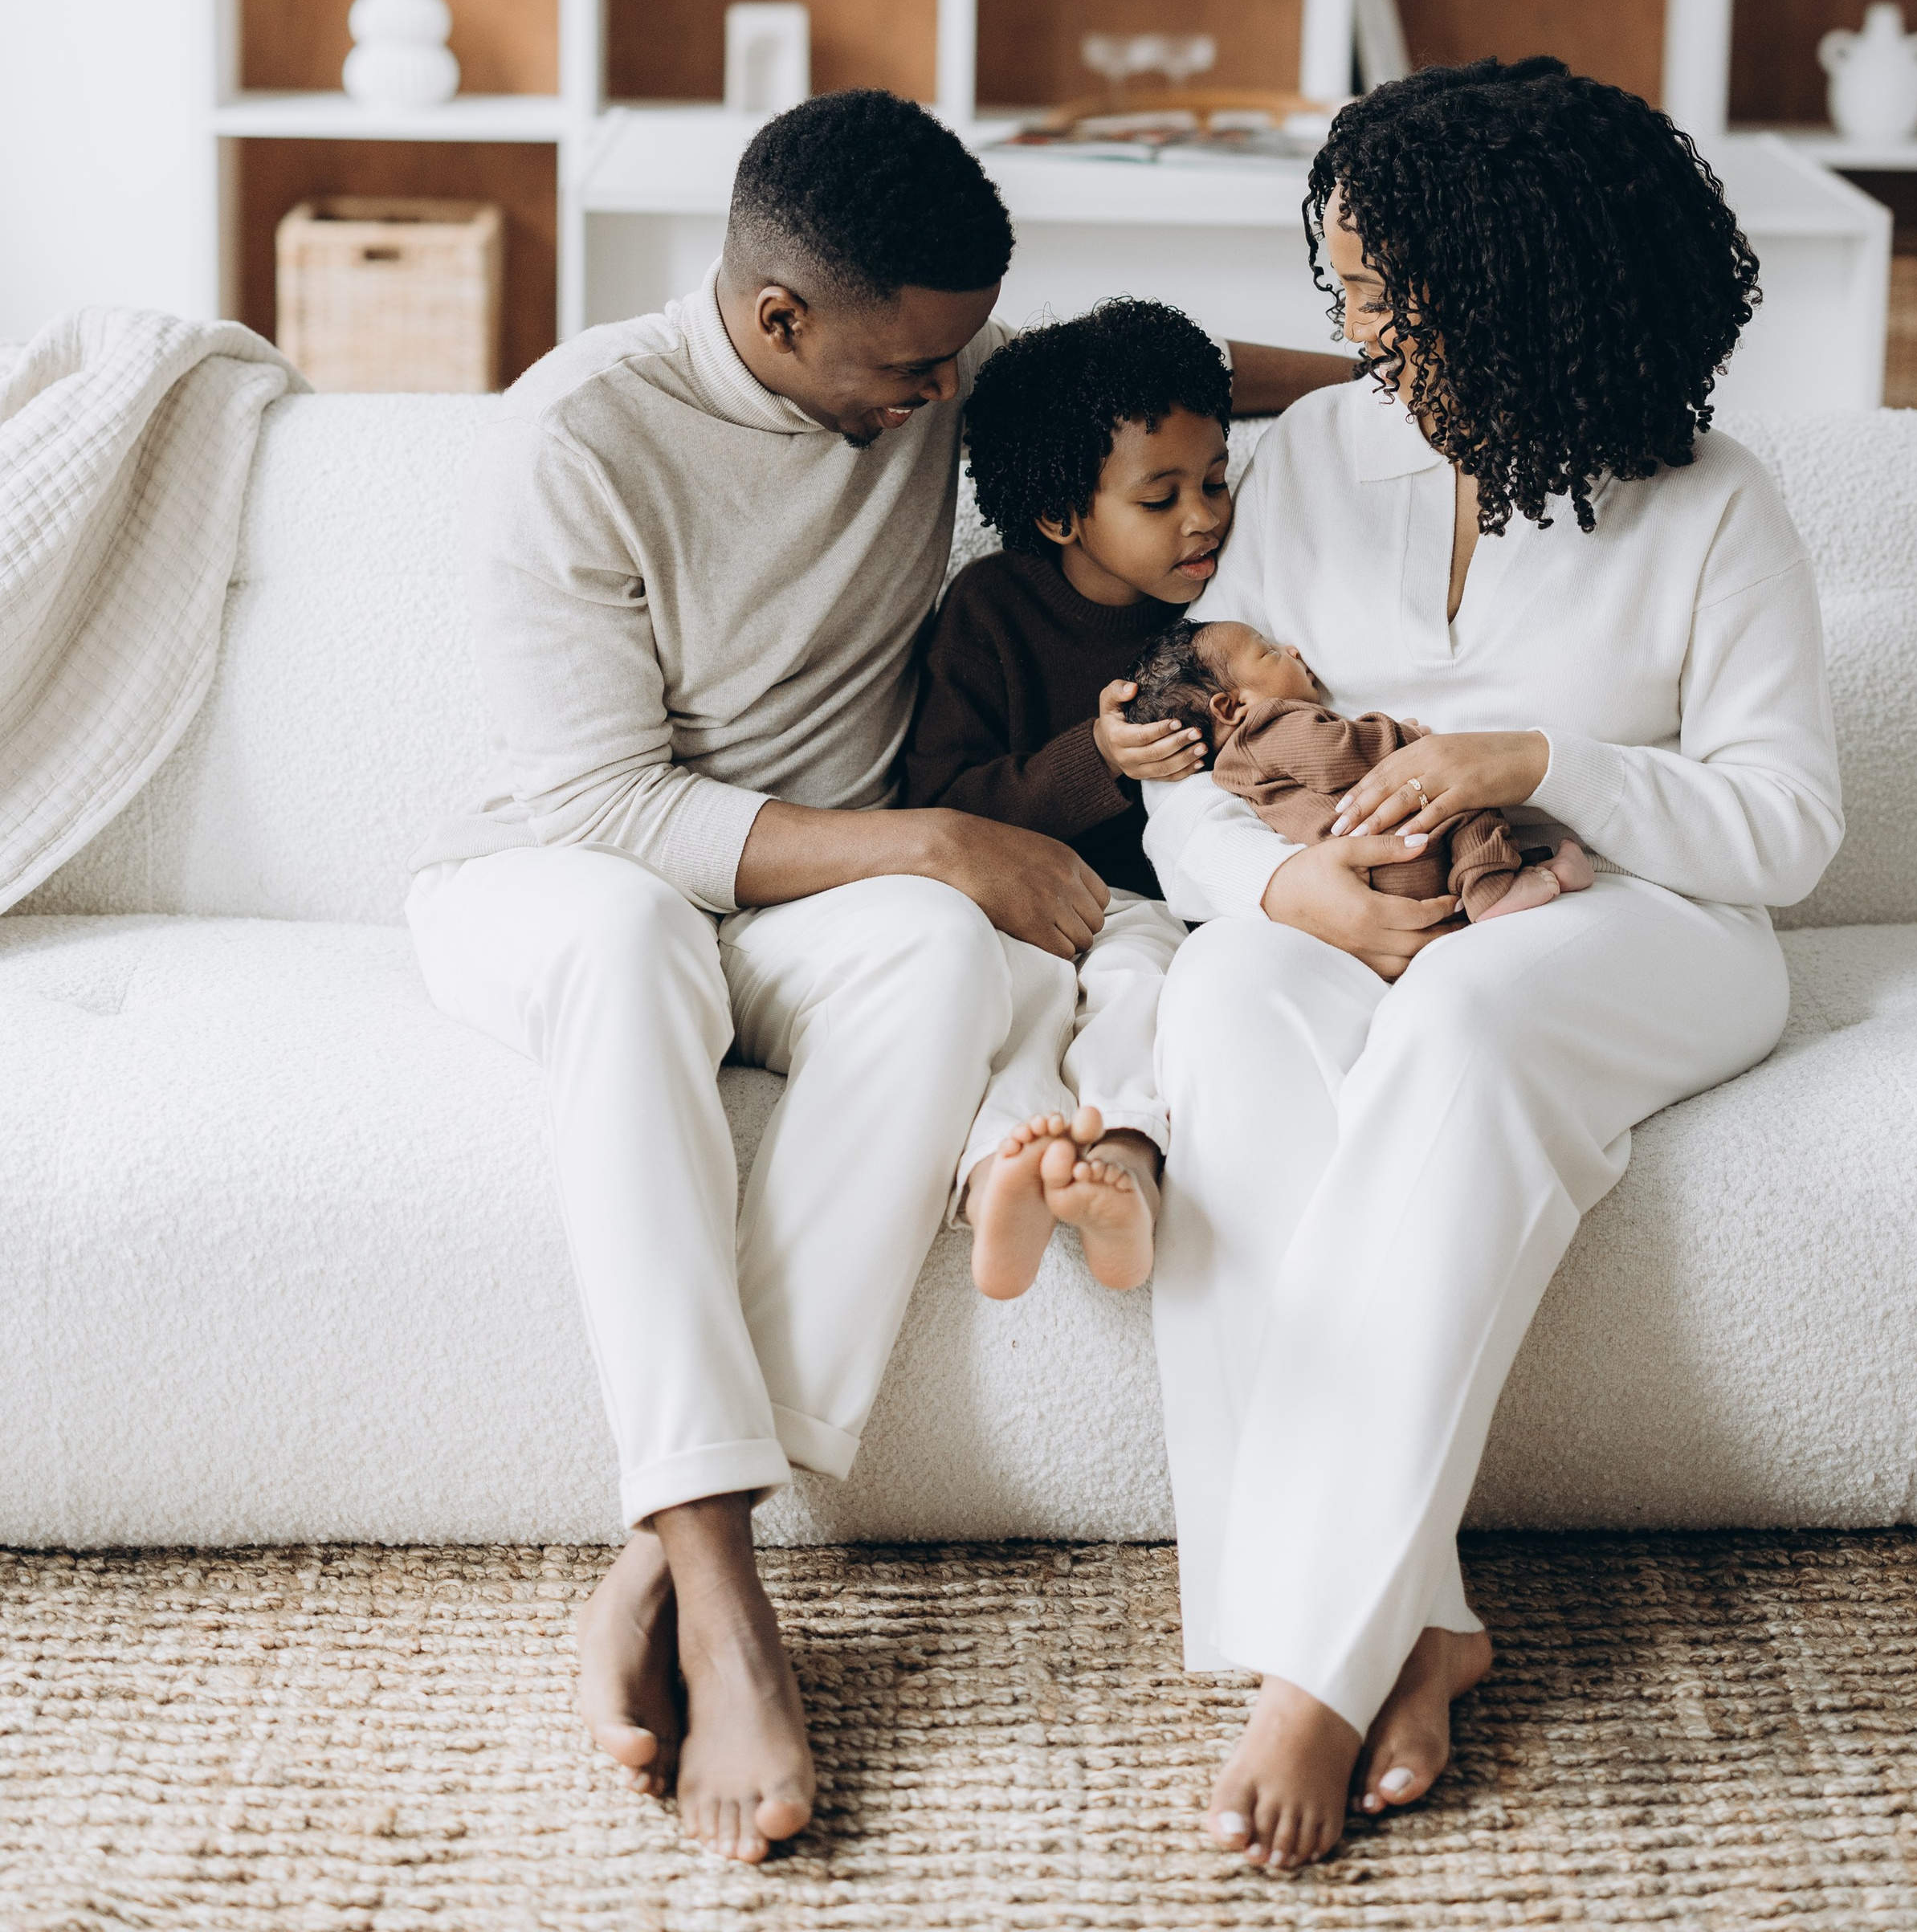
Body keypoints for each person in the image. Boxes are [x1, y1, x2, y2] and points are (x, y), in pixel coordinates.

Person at [404, 90, 1349, 1864]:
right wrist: (934, 837)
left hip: (814, 901)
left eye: (962, 358)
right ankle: (716, 1571)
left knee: (930, 948)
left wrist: (1399, 374)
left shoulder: (929, 363)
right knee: (647, 945)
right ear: (778, 321)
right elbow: (605, 808)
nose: (943, 400)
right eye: (911, 371)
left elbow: (1160, 375)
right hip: (555, 873)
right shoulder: (580, 436)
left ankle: (644, 1568)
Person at [1141, 58, 1843, 1873]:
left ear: (1527, 289)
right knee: (1212, 1000)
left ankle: (1310, 1661)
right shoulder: (1306, 461)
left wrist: (1531, 760)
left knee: (1458, 1014)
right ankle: (1416, 1618)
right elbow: (1196, 789)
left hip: (1637, 926)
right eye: (1344, 288)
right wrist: (1289, 898)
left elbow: (1780, 829)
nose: (1353, 328)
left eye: (1389, 293)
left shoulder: (1710, 501)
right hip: (1350, 909)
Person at [899, 300, 1226, 1301]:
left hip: (1146, 908)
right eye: (1159, 498)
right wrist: (1097, 756)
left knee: (1141, 989)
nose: (1202, 516)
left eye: (1215, 481)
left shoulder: (1225, 612)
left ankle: (1122, 1162)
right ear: (1060, 515)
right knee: (1022, 1007)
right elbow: (940, 799)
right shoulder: (991, 610)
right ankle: (1007, 1171)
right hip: (1013, 903)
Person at [1124, 619, 1589, 918]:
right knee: (1465, 799)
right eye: (1268, 652)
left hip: (1357, 877)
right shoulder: (1272, 726)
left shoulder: (1233, 774)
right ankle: (1493, 889)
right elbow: (1337, 755)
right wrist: (1399, 736)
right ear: (1232, 706)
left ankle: (1522, 877)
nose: (1291, 650)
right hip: (1397, 851)